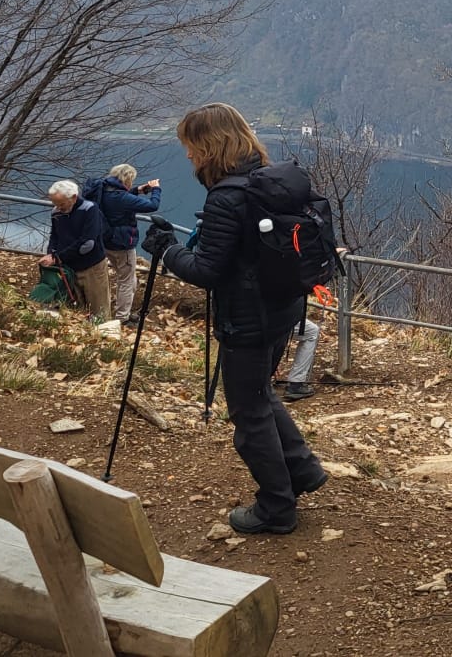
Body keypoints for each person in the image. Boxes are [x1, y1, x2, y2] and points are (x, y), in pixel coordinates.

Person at [141, 102, 328, 536]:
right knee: (261, 393)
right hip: (282, 310)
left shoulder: (227, 196)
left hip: (247, 321)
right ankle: (302, 469)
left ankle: (276, 507)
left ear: (210, 146)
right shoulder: (265, 182)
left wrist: (166, 249)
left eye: (191, 146)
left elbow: (206, 271)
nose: (188, 155)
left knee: (248, 414)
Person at [85, 164, 161, 326]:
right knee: (126, 280)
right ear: (127, 179)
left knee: (127, 278)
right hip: (122, 244)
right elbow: (152, 206)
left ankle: (120, 310)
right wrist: (156, 190)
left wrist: (138, 190)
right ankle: (122, 317)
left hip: (105, 240)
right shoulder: (122, 198)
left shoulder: (103, 189)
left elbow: (121, 198)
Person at [41, 180, 112, 321]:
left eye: (61, 204)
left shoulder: (90, 209)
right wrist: (51, 253)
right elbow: (55, 236)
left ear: (73, 197)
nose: (58, 207)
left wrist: (58, 257)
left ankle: (103, 331)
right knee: (75, 308)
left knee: (99, 308)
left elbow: (87, 243)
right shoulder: (56, 212)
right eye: (55, 204)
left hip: (91, 266)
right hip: (68, 267)